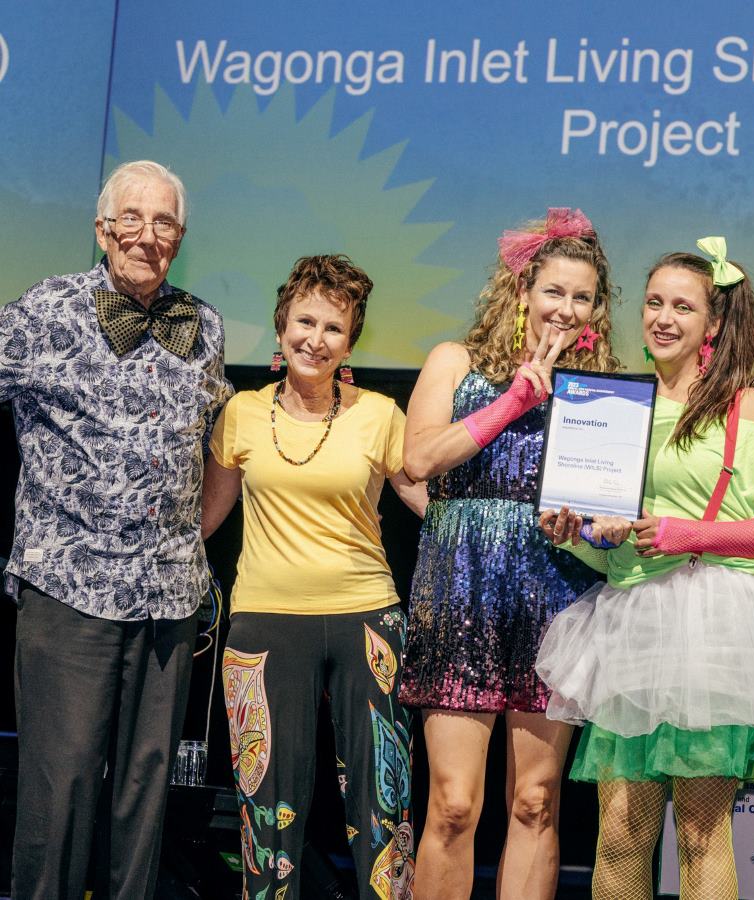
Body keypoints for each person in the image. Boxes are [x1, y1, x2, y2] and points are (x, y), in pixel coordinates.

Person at [536, 238, 754, 899]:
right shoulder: (619, 401)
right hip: (634, 620)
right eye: (654, 302)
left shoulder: (743, 407)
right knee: (617, 834)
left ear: (712, 324)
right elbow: (616, 542)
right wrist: (573, 533)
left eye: (683, 307)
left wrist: (686, 533)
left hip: (713, 626)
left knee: (699, 832)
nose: (663, 317)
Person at [0, 159, 231, 898]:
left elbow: (219, 449)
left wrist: (190, 541)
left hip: (167, 596)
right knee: (60, 785)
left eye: (165, 222)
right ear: (102, 229)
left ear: (181, 237)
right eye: (132, 218)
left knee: (145, 793)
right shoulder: (45, 311)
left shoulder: (205, 326)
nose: (147, 235)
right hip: (69, 587)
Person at [398, 208, 620, 899]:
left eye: (582, 297)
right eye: (554, 291)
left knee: (535, 802)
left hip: (552, 596)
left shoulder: (600, 390)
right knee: (454, 804)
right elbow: (420, 458)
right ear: (521, 289)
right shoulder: (454, 361)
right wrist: (518, 396)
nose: (567, 308)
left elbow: (607, 509)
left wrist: (587, 526)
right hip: (459, 591)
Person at [201, 254, 427, 898]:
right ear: (280, 327)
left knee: (384, 811)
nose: (315, 339)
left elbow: (431, 504)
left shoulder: (381, 414)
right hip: (264, 627)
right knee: (265, 810)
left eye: (334, 328)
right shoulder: (241, 413)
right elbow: (204, 522)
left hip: (368, 620)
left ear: (350, 341)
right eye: (305, 321)